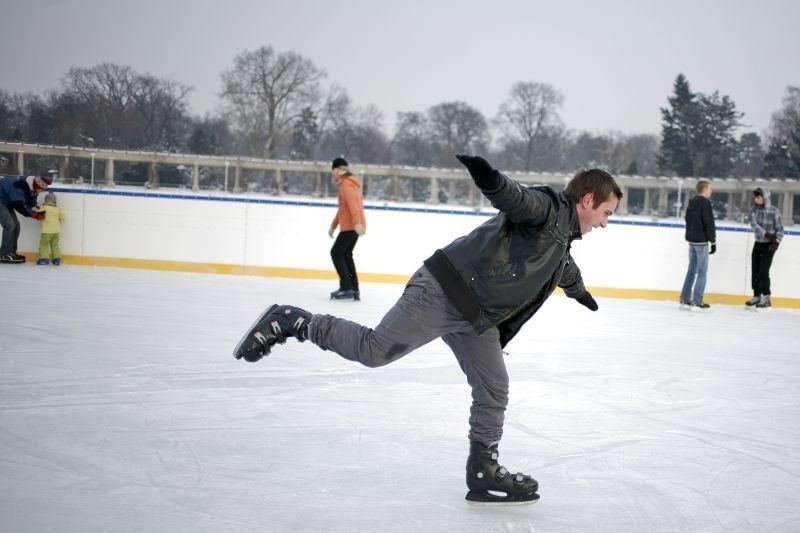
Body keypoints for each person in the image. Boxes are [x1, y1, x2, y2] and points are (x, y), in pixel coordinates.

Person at [233, 154, 622, 504]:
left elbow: (562, 267)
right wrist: (490, 180)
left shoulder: (559, 238)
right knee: (374, 351)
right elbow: (516, 199)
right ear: (587, 200)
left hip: (477, 317)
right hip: (445, 290)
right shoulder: (547, 209)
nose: (605, 223)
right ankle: (294, 321)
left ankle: (483, 470)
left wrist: (579, 291)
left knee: (494, 387)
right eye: (606, 213)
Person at [328, 157, 366, 301]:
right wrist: (333, 226)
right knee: (346, 255)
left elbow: (353, 206)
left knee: (336, 253)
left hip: (352, 226)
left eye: (333, 171)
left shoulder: (346, 185)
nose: (333, 174)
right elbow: (343, 209)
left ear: (338, 170)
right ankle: (354, 289)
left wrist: (356, 223)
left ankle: (346, 288)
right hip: (353, 225)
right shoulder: (350, 183)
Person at [679, 180, 716, 309]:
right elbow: (708, 222)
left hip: (692, 240)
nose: (711, 191)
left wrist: (691, 234)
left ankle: (684, 298)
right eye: (710, 188)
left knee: (692, 270)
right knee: (702, 271)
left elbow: (688, 219)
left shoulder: (692, 202)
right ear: (704, 189)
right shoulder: (705, 203)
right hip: (701, 241)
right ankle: (697, 300)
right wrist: (713, 240)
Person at [0, 175, 52, 264]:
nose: (42, 191)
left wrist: (35, 209)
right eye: (41, 189)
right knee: (9, 225)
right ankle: (4, 254)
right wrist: (33, 215)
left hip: (7, 202)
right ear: (36, 185)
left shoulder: (33, 189)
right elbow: (19, 205)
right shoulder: (20, 185)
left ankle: (11, 252)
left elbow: (31, 202)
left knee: (16, 226)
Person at [746, 188, 783, 308]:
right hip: (758, 243)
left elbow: (780, 229)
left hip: (769, 246)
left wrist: (776, 242)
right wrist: (766, 234)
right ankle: (756, 296)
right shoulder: (753, 210)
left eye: (758, 197)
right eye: (755, 197)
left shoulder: (774, 211)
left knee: (763, 271)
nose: (756, 199)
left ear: (765, 198)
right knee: (755, 270)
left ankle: (766, 297)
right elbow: (753, 225)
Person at [33, 192, 65, 266]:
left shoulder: (44, 207)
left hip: (47, 231)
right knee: (55, 245)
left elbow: (38, 211)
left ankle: (44, 259)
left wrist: (34, 208)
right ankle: (57, 259)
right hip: (56, 231)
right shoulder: (57, 209)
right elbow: (62, 217)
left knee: (43, 245)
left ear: (45, 200)